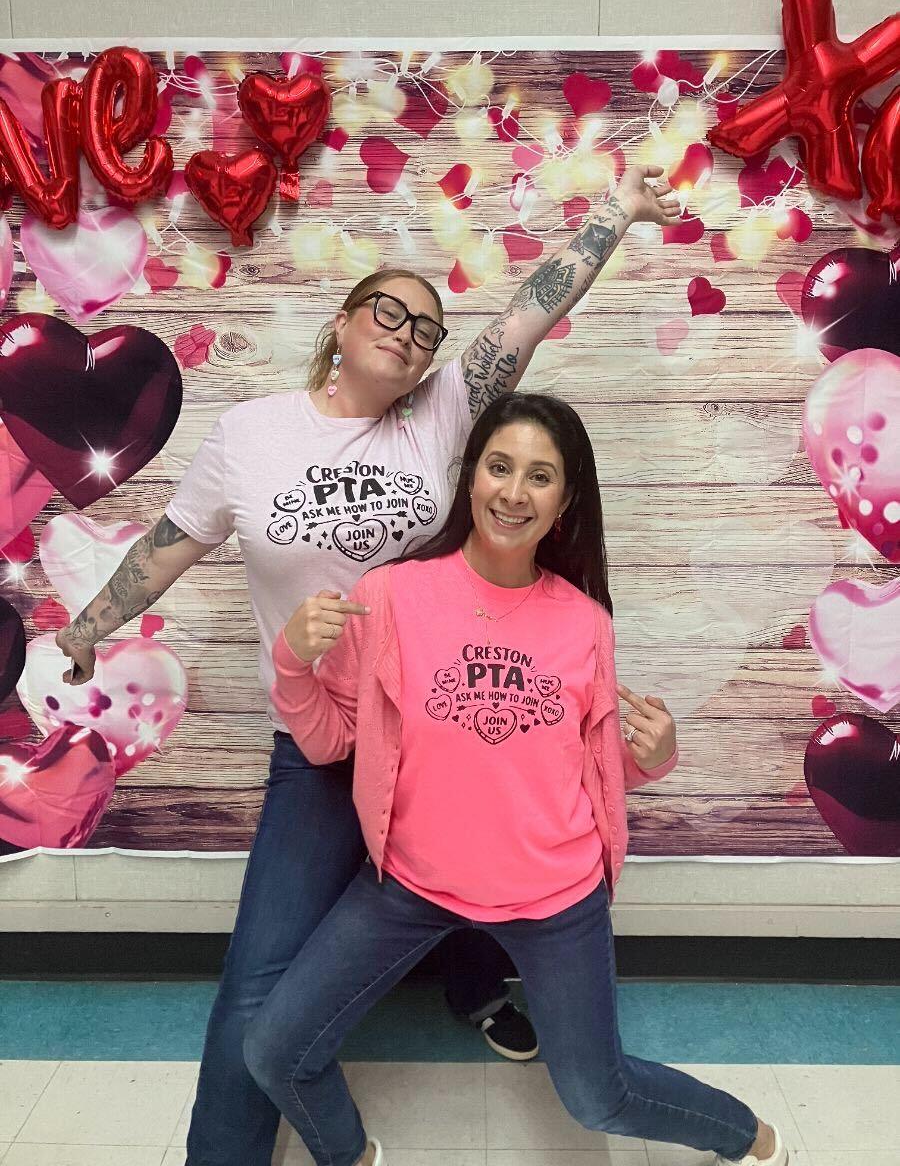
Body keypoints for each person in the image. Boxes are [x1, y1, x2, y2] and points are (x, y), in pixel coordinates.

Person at [55, 166, 683, 1166]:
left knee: (478, 861)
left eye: (427, 327)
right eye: (387, 310)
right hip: (320, 734)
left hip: (439, 725)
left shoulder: (442, 415)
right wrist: (89, 627)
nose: (407, 331)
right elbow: (170, 545)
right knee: (260, 982)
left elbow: (529, 314)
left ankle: (475, 984)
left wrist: (617, 212)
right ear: (342, 325)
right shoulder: (250, 435)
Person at [247, 393, 790, 1166]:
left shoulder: (585, 623)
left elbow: (588, 771)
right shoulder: (390, 596)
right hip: (411, 884)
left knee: (598, 1097)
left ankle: (751, 1137)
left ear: (564, 503)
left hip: (554, 897)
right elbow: (334, 740)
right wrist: (295, 662)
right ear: (471, 478)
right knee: (274, 1049)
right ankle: (351, 1156)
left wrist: (655, 755)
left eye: (540, 476)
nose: (513, 492)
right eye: (499, 467)